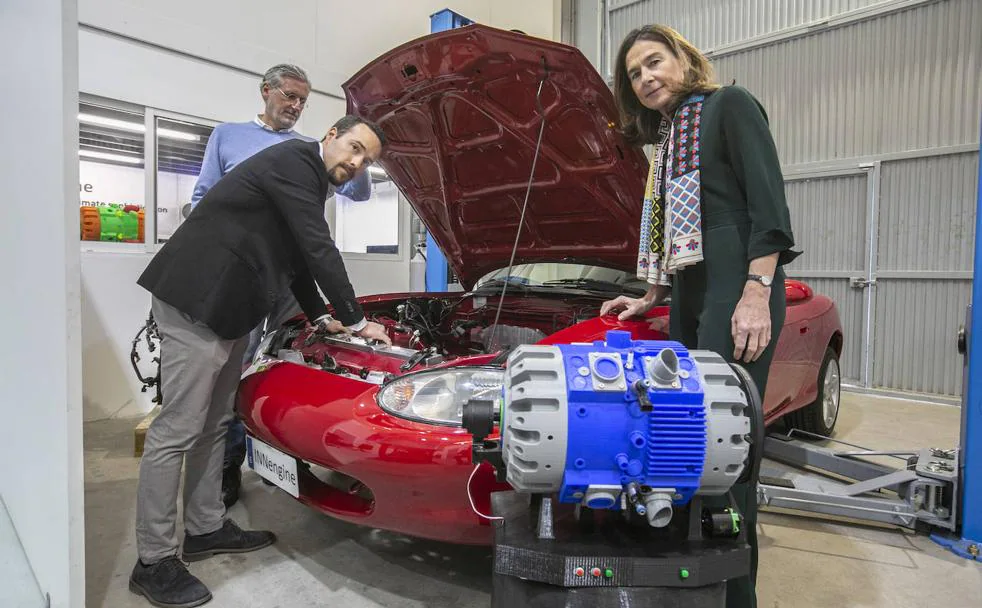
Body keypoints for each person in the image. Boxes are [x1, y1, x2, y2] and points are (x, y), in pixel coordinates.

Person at [129, 115, 392, 608]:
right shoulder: (295, 161)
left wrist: (323, 317)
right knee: (177, 430)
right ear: (330, 136)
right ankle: (154, 561)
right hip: (198, 299)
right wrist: (357, 321)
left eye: (367, 160)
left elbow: (294, 259)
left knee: (214, 423)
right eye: (354, 147)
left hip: (229, 308)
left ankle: (205, 528)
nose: (356, 163)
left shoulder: (310, 185)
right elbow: (318, 248)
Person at [600, 24, 800, 608]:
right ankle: (694, 586)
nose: (645, 78)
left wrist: (756, 292)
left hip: (737, 282)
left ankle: (738, 595)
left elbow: (769, 207)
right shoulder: (666, 142)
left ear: (684, 60)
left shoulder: (728, 106)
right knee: (685, 445)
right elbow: (674, 238)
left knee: (729, 450)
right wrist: (650, 297)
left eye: (654, 62)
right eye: (635, 74)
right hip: (692, 290)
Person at [189, 63, 372, 508]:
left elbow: (359, 195)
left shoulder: (313, 149)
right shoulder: (228, 136)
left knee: (294, 363)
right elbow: (203, 199)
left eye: (303, 101)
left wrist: (360, 149)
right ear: (266, 92)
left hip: (292, 275)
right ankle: (229, 464)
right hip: (246, 274)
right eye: (289, 96)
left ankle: (282, 455)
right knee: (241, 365)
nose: (295, 106)